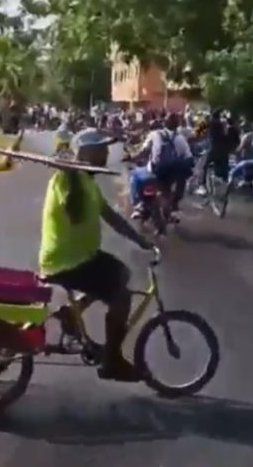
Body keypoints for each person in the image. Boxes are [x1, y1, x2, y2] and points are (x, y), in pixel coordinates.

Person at [40, 128, 155, 381]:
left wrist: (140, 241)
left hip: (83, 256)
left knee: (121, 273)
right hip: (66, 260)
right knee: (121, 297)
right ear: (84, 152)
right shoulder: (66, 178)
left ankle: (72, 313)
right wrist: (70, 173)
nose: (105, 154)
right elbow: (74, 213)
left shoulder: (88, 181)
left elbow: (110, 216)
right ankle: (112, 361)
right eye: (100, 149)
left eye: (105, 149)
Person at [128, 114, 193, 220]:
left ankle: (138, 205)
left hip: (156, 170)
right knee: (169, 189)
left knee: (134, 175)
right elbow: (188, 157)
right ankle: (172, 208)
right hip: (172, 174)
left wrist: (131, 157)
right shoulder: (181, 138)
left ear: (164, 123)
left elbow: (143, 152)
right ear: (177, 125)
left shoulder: (155, 134)